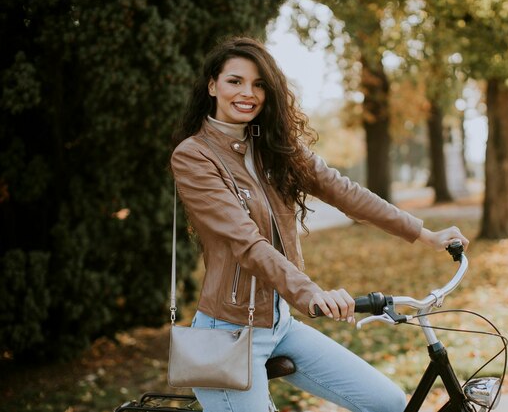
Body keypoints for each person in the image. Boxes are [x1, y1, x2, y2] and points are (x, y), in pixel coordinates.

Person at [170, 36, 469, 412]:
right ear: (212, 86)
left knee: (387, 402)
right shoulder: (194, 156)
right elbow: (246, 242)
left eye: (259, 84)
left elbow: (344, 191)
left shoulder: (272, 146)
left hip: (279, 324)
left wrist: (425, 234)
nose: (248, 93)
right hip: (228, 335)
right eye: (235, 81)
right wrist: (311, 292)